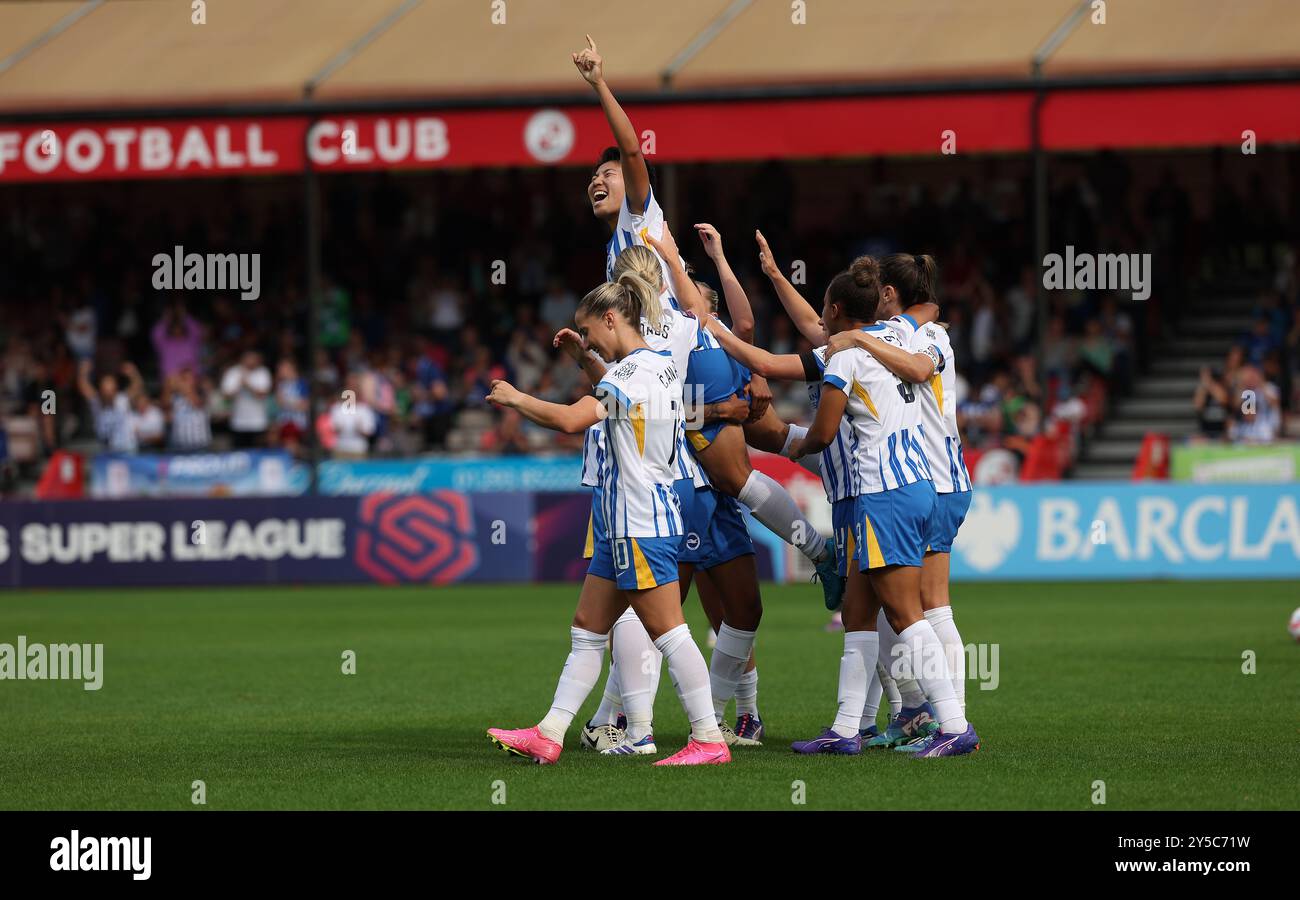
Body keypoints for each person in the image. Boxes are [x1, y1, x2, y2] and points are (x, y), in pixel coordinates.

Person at [486, 273, 730, 767]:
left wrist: (516, 399)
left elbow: (573, 419)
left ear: (611, 318)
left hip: (637, 519)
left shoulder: (629, 375)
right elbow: (615, 386)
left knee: (670, 632)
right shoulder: (658, 366)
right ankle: (549, 732)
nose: (589, 338)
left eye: (590, 330)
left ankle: (708, 738)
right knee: (587, 629)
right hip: (631, 521)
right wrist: (584, 357)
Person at [826, 253, 975, 748]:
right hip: (921, 481)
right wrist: (776, 276)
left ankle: (947, 719)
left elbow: (913, 365)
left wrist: (858, 336)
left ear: (888, 294)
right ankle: (872, 721)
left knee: (926, 609)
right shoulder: (905, 330)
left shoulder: (922, 337)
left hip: (926, 480)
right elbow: (822, 326)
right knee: (883, 610)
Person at [220, 351, 272, 448]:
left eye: (255, 359)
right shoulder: (233, 372)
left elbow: (263, 395)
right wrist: (239, 386)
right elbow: (226, 397)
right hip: (238, 422)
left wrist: (248, 385)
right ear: (243, 359)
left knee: (258, 453)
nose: (252, 362)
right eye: (249, 359)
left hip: (258, 422)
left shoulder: (263, 372)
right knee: (240, 453)